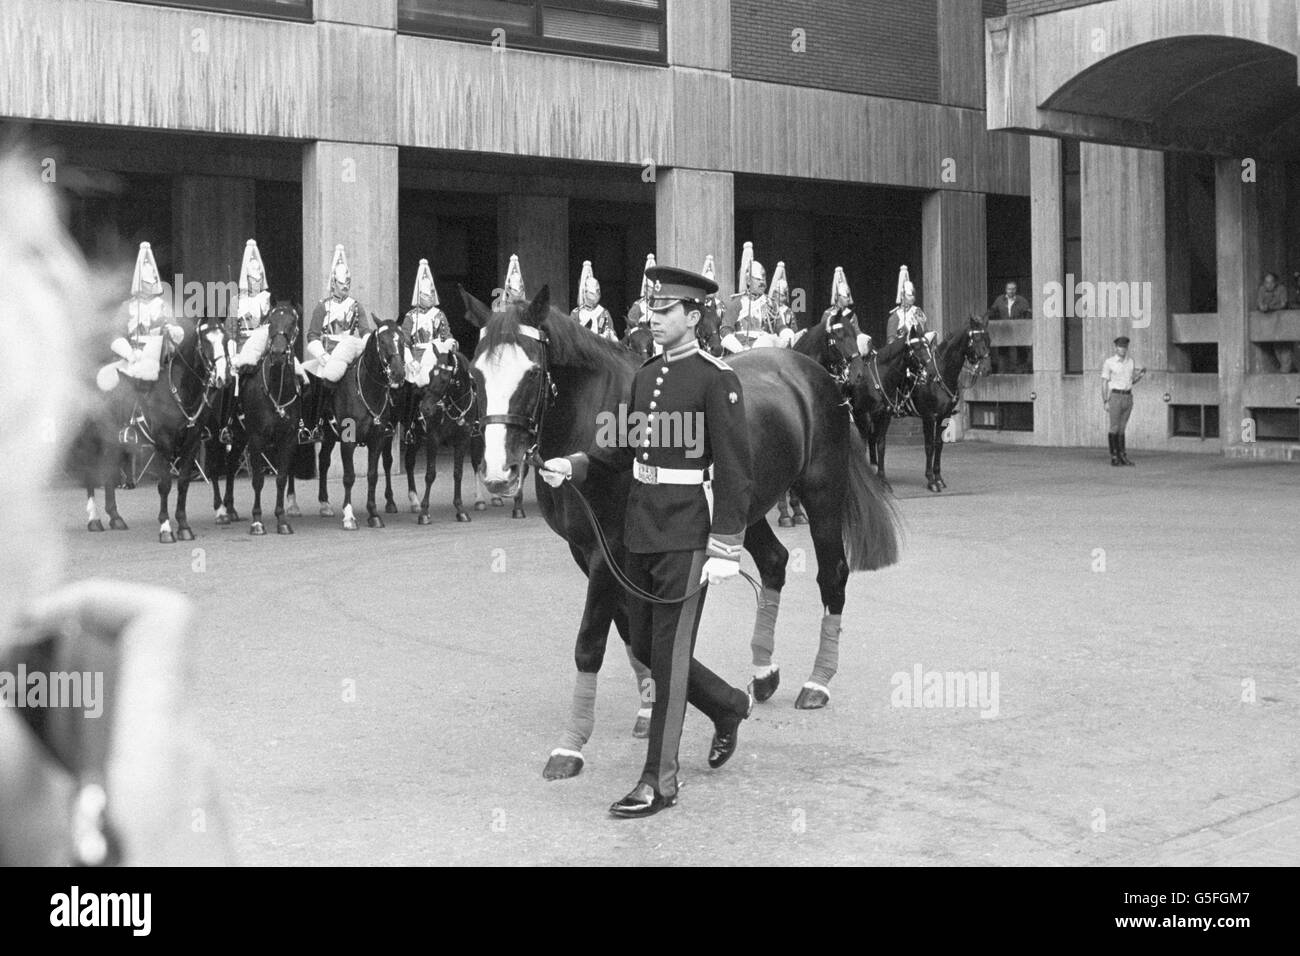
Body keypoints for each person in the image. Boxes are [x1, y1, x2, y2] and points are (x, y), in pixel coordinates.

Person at [0, 148, 232, 866]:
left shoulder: (165, 312)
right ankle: (122, 447)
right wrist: (122, 868)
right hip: (130, 370)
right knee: (131, 393)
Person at [539, 265, 755, 819]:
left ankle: (659, 782)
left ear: (693, 315)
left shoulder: (716, 378)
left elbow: (736, 469)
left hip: (687, 532)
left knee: (671, 655)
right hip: (640, 528)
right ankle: (727, 705)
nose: (652, 319)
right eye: (650, 311)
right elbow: (621, 448)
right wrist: (576, 462)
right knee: (647, 648)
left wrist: (727, 545)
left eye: (664, 311)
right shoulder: (646, 375)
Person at [300, 244, 373, 442]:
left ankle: (373, 425)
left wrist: (366, 344)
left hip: (350, 354)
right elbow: (312, 335)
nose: (346, 286)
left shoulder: (356, 307)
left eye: (348, 283)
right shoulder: (322, 307)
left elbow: (365, 331)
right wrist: (322, 356)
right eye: (342, 283)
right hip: (327, 357)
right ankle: (313, 426)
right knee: (315, 386)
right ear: (333, 283)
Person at [96, 242, 181, 392]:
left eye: (152, 280)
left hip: (160, 364)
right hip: (132, 362)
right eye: (146, 281)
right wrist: (129, 353)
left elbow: (175, 331)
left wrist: (174, 331)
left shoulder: (163, 306)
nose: (150, 284)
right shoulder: (127, 308)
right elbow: (116, 336)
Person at [402, 257, 457, 388]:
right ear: (419, 295)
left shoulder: (439, 314)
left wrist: (451, 343)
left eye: (432, 294)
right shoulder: (410, 316)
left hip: (435, 357)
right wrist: (410, 361)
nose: (430, 297)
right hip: (415, 359)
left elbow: (446, 336)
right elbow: (404, 340)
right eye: (427, 295)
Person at [722, 241, 777, 353]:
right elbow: (725, 329)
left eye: (764, 279)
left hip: (767, 348)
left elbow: (779, 326)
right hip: (742, 349)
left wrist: (786, 333)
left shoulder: (770, 303)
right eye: (758, 279)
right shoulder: (737, 302)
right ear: (748, 280)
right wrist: (739, 350)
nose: (762, 283)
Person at [1101, 335, 1145, 466]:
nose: (1123, 349)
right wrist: (1105, 400)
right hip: (1115, 396)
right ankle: (1114, 456)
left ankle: (1122, 455)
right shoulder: (1109, 362)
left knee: (1122, 428)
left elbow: (1131, 381)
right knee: (1114, 427)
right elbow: (1104, 382)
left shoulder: (1130, 362)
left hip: (1127, 396)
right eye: (1120, 347)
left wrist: (1140, 375)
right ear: (1115, 348)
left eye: (1125, 347)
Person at [571, 260, 616, 341]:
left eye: (597, 292)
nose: (595, 296)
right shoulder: (576, 313)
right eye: (592, 293)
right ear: (585, 293)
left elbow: (611, 332)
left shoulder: (603, 312)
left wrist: (608, 334)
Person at [885, 265, 930, 345]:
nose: (912, 297)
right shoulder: (895, 316)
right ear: (902, 296)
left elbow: (925, 331)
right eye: (909, 295)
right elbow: (891, 342)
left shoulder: (917, 311)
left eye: (913, 295)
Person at [767, 261, 798, 347]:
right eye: (778, 295)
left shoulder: (788, 311)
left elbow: (794, 329)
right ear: (774, 294)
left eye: (783, 296)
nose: (781, 299)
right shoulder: (768, 308)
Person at [625, 253, 657, 331]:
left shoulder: (662, 305)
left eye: (651, 288)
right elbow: (631, 328)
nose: (648, 291)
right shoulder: (638, 306)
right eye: (647, 288)